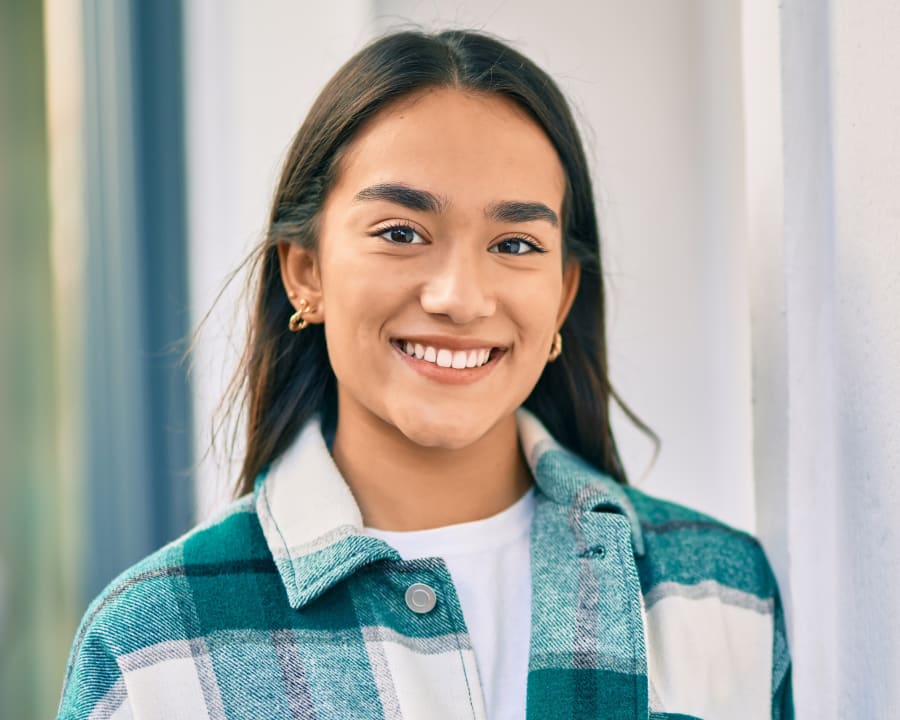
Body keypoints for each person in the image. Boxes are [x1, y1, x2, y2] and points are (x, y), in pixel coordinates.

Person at [58, 29, 793, 719]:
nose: (459, 298)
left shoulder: (722, 594)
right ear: (305, 271)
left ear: (563, 295)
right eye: (401, 233)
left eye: (514, 244)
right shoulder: (151, 650)